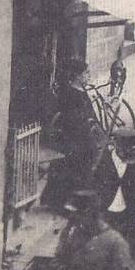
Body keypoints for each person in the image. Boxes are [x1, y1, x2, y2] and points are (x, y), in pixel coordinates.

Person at [42, 59, 100, 209]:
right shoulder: (70, 94)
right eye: (86, 73)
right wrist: (88, 127)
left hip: (83, 136)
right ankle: (67, 201)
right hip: (74, 138)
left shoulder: (81, 92)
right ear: (77, 76)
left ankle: (75, 200)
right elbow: (71, 120)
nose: (89, 76)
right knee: (75, 167)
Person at [97, 127, 135, 260]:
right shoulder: (100, 162)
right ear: (118, 147)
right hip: (105, 213)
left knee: (131, 250)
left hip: (128, 215)